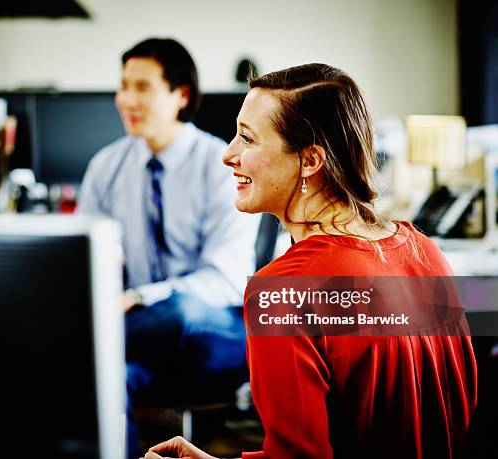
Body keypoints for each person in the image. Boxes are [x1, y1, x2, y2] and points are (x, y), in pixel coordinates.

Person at [144, 64, 478, 458]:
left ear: (310, 161)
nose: (228, 154)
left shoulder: (284, 292)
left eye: (247, 139)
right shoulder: (425, 250)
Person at [75, 38, 260, 457]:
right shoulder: (106, 167)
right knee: (107, 374)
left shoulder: (222, 166)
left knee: (180, 309)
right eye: (123, 86)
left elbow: (226, 280)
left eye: (142, 87)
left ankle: (76, 342)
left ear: (181, 95)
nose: (126, 100)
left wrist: (140, 297)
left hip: (211, 337)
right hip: (141, 342)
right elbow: (82, 265)